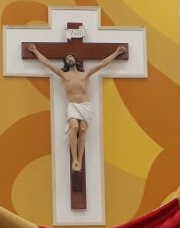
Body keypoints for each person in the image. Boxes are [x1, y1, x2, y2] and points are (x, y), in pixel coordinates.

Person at [27, 43, 127, 171]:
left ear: (75, 60)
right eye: (67, 58)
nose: (70, 59)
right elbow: (47, 63)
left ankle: (79, 160)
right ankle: (74, 159)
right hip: (72, 106)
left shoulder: (85, 74)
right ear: (66, 63)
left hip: (85, 105)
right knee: (74, 127)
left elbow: (103, 63)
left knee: (83, 130)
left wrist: (117, 53)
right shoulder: (64, 75)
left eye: (71, 57)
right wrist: (35, 51)